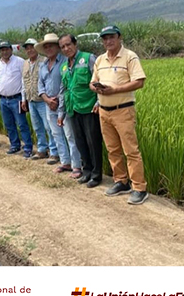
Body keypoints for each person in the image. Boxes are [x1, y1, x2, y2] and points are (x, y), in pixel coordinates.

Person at [90, 25, 148, 205]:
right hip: (104, 111)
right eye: (105, 38)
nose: (108, 41)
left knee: (131, 150)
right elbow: (93, 82)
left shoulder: (130, 57)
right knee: (112, 149)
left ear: (119, 37)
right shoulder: (100, 60)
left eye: (111, 37)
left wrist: (115, 90)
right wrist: (97, 88)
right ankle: (121, 181)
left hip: (123, 110)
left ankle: (139, 188)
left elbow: (139, 82)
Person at [59, 34, 103, 188]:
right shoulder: (64, 66)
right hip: (73, 109)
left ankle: (97, 175)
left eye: (68, 44)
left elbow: (99, 80)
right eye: (63, 47)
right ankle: (87, 171)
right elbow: (63, 89)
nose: (66, 49)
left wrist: (99, 101)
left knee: (93, 142)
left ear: (75, 44)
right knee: (80, 142)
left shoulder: (88, 58)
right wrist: (61, 112)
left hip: (89, 107)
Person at [36, 33, 82, 177]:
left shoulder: (64, 62)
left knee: (70, 135)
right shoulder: (43, 65)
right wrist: (47, 100)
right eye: (46, 47)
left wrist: (57, 100)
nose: (49, 49)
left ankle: (77, 165)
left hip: (65, 104)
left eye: (51, 46)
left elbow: (67, 84)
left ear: (57, 47)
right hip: (49, 106)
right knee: (56, 134)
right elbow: (40, 86)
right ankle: (65, 162)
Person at [0, 41, 33, 158]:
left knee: (22, 124)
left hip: (17, 98)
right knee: (9, 124)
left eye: (6, 49)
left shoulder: (19, 61)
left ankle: (28, 147)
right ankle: (15, 145)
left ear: (11, 49)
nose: (4, 52)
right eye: (2, 50)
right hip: (3, 100)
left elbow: (24, 79)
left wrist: (24, 98)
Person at [21, 38, 56, 161]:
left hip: (43, 100)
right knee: (37, 127)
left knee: (49, 127)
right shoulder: (25, 64)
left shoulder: (44, 61)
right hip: (31, 100)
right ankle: (42, 149)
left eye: (31, 47)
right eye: (27, 48)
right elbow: (23, 82)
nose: (29, 50)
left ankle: (54, 151)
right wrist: (23, 99)